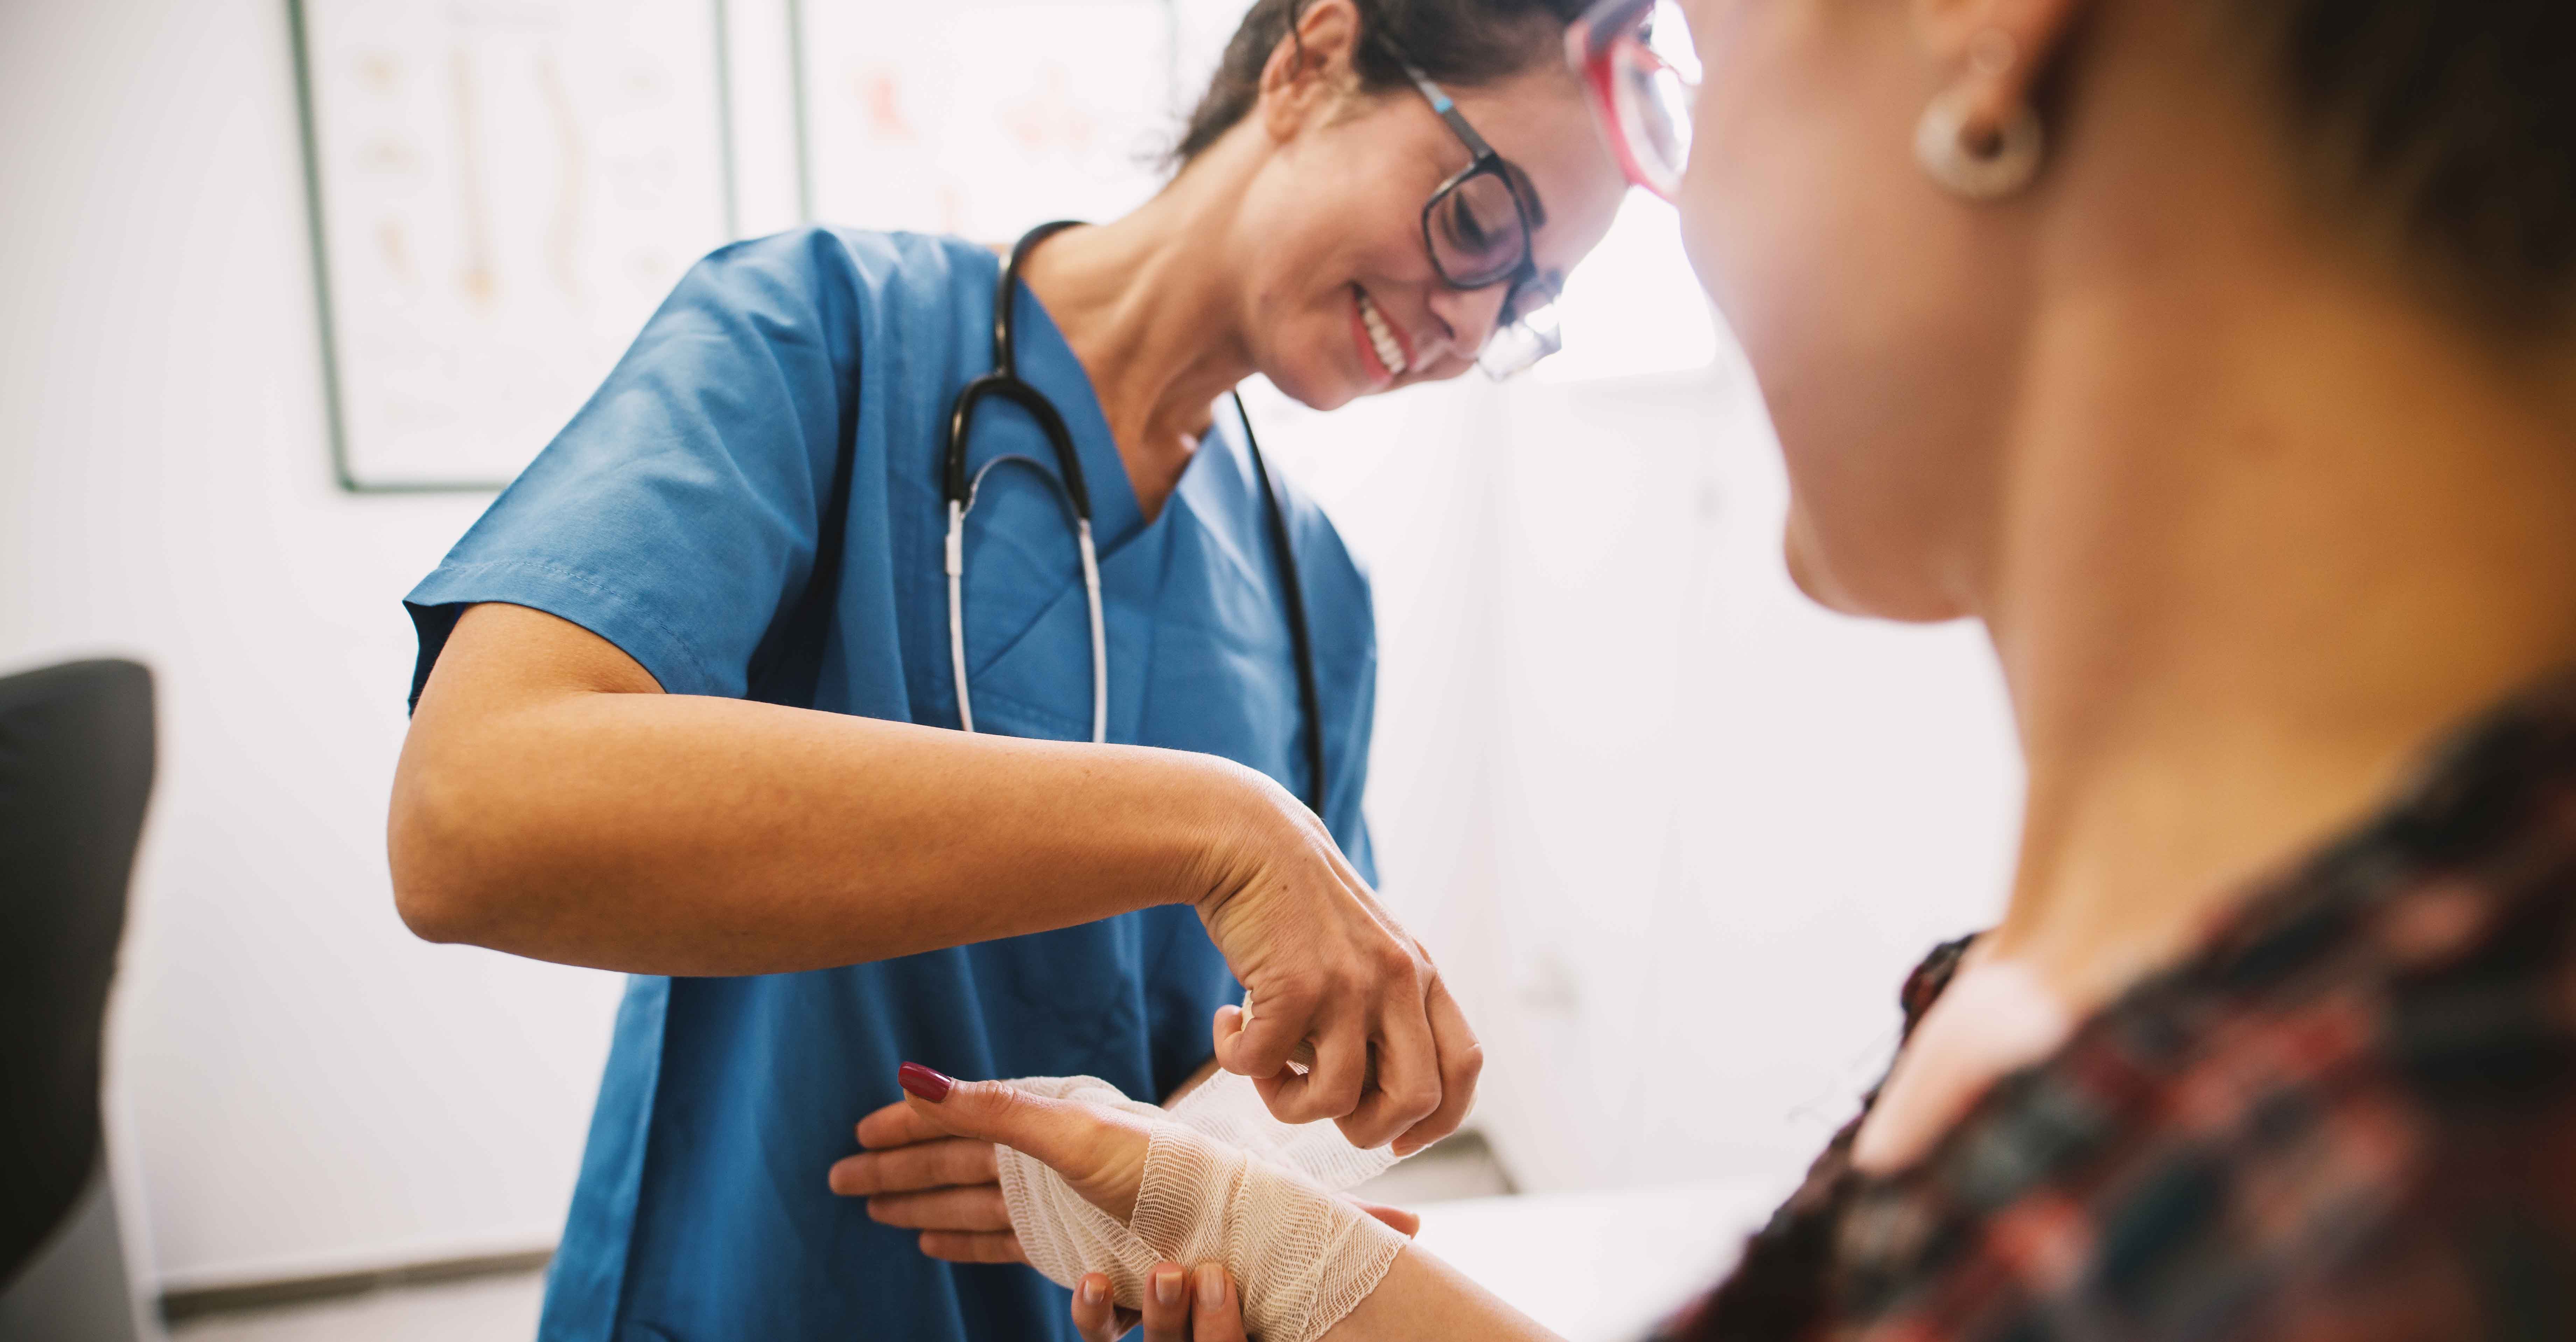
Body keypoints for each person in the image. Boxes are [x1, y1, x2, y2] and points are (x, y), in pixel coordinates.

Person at [853, 0, 2576, 1336]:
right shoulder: (2215, 1037)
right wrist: (1248, 1231)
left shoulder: (2350, 1186)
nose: (1471, 328)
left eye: (1697, 62)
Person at [384, 0, 1625, 1337]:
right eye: (1483, 223)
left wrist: (1223, 1202)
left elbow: (1260, 1079)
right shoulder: (820, 333)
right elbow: (470, 816)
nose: (1470, 312)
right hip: (755, 1287)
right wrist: (1219, 827)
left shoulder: (1313, 583)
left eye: (1526, 298)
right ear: (1312, 59)